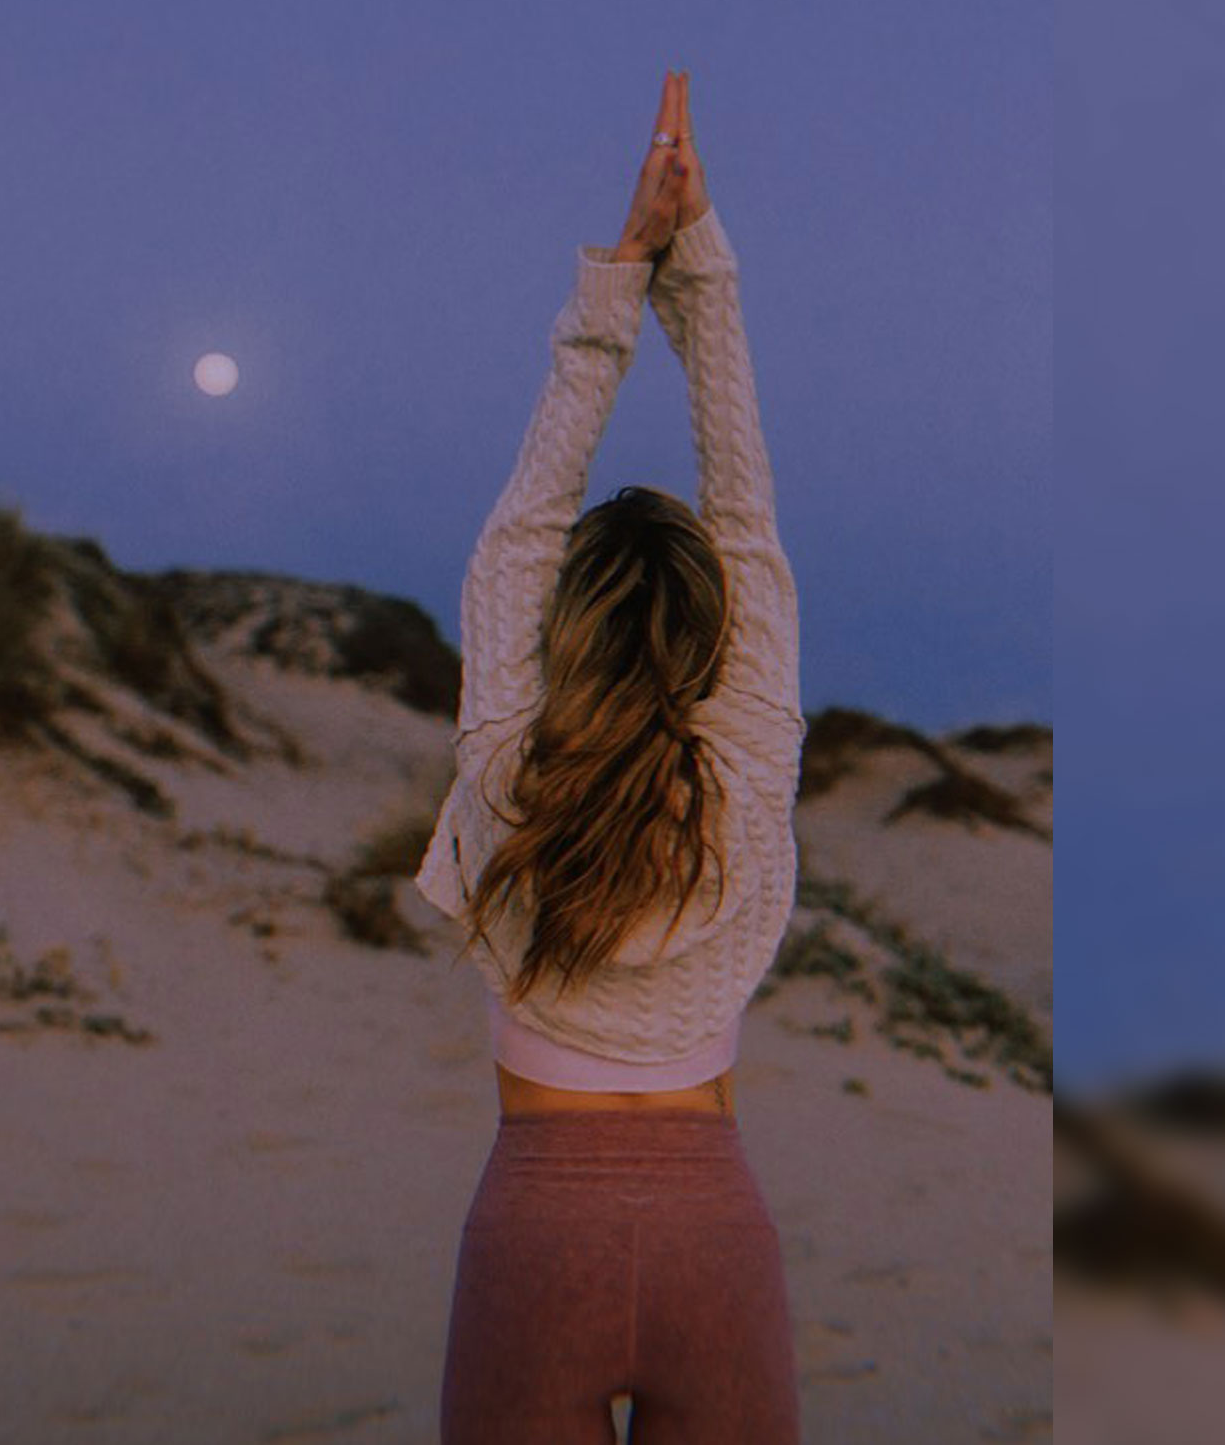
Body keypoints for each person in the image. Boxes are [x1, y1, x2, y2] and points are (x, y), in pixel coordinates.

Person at [412, 69, 806, 1445]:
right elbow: (742, 500)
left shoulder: (510, 768)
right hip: (718, 1229)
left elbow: (524, 529)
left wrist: (620, 273)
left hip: (537, 1231)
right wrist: (695, 258)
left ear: (557, 624)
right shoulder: (747, 767)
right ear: (719, 633)